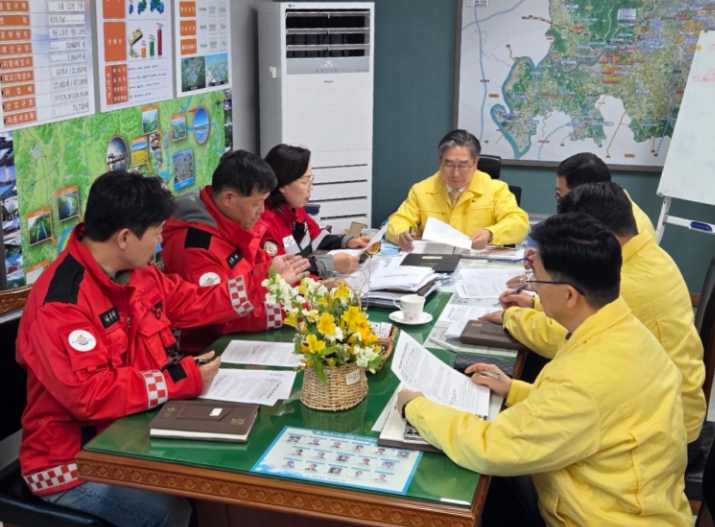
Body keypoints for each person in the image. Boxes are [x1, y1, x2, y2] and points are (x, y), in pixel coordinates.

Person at [398, 213, 691, 526]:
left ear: (569, 294)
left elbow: (491, 448)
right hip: (635, 498)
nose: (533, 288)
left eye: (536, 279)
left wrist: (415, 408)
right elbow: (589, 413)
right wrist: (514, 390)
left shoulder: (584, 378)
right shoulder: (624, 329)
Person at [17, 171, 252, 527]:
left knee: (216, 480)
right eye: (157, 232)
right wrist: (179, 379)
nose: (161, 242)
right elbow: (90, 394)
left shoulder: (137, 272)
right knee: (173, 513)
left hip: (134, 432)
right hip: (74, 462)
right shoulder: (61, 304)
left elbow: (193, 301)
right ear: (125, 237)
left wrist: (260, 285)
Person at [490, 182, 706, 463]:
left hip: (663, 436)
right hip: (662, 410)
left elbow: (554, 339)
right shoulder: (648, 254)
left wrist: (510, 316)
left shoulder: (628, 284)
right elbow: (583, 304)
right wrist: (536, 303)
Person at [161, 150, 310, 354]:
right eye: (257, 203)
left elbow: (264, 270)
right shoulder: (194, 246)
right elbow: (223, 318)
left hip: (247, 340)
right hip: (210, 352)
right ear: (229, 198)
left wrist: (313, 289)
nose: (262, 211)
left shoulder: (236, 224)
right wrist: (298, 311)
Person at [386, 129, 529, 251]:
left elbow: (519, 223)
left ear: (475, 163)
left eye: (462, 165)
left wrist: (490, 234)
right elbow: (399, 220)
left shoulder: (496, 189)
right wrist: (401, 233)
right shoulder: (421, 190)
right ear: (439, 162)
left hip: (476, 263)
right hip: (434, 261)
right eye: (449, 165)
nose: (455, 174)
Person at [261, 144, 371, 277]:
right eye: (305, 181)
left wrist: (347, 242)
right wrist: (331, 263)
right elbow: (282, 274)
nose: (311, 187)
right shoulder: (265, 222)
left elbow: (317, 237)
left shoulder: (295, 209)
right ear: (282, 185)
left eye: (311, 179)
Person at [554, 153, 656, 238]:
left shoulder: (624, 231)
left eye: (560, 195)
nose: (560, 203)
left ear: (583, 194)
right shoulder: (614, 207)